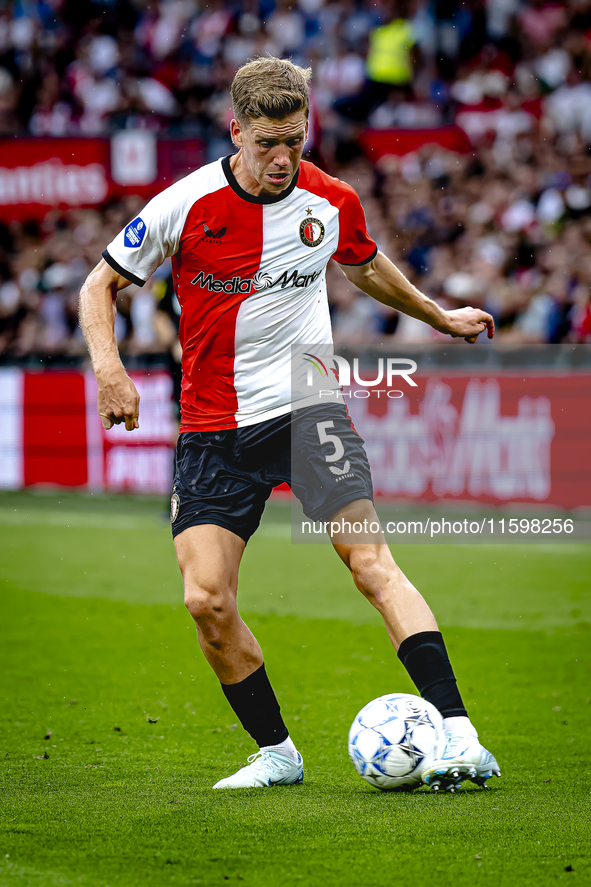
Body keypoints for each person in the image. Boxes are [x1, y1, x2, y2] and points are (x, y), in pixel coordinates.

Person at [79, 57, 500, 792]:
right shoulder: (186, 204)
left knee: (371, 563)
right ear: (235, 129)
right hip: (213, 427)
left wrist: (438, 315)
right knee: (205, 599)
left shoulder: (329, 199)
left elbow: (364, 266)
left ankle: (461, 735)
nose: (281, 159)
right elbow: (100, 284)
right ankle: (277, 753)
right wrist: (109, 370)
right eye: (267, 143)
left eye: (295, 143)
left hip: (309, 407)